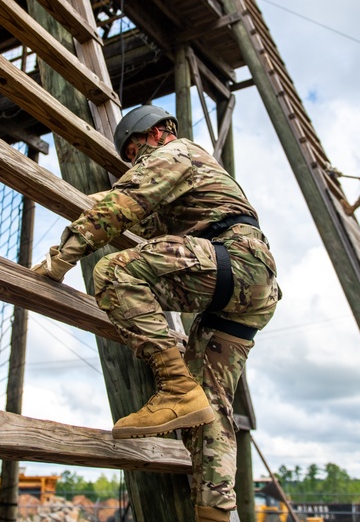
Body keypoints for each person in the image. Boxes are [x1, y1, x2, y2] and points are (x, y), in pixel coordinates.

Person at [33, 105, 280, 522]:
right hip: (254, 284)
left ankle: (174, 387)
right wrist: (85, 198)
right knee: (211, 404)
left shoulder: (176, 152)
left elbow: (124, 204)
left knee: (113, 271)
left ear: (152, 134)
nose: (134, 162)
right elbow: (132, 210)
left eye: (132, 153)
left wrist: (62, 258)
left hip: (232, 259)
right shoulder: (191, 177)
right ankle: (216, 512)